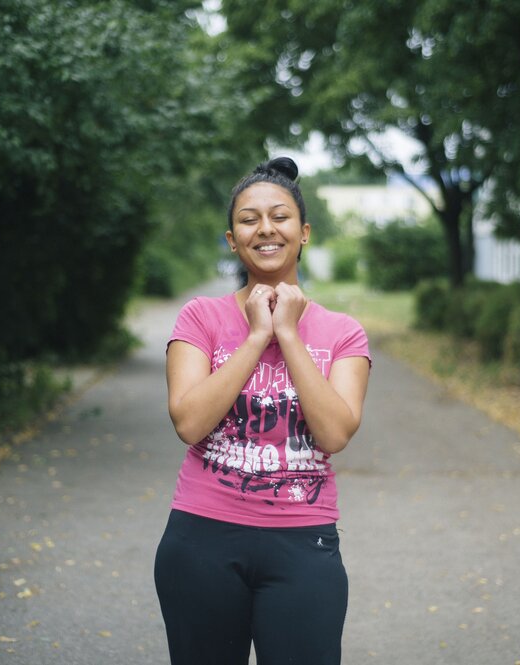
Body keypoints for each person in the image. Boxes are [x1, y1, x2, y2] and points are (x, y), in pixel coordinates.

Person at [154, 157, 371, 665]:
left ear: (304, 232)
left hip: (304, 542)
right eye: (249, 219)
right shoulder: (200, 318)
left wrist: (288, 332)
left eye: (280, 216)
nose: (266, 229)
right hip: (201, 539)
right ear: (232, 240)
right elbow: (189, 422)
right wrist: (257, 335)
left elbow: (335, 432)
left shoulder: (343, 332)